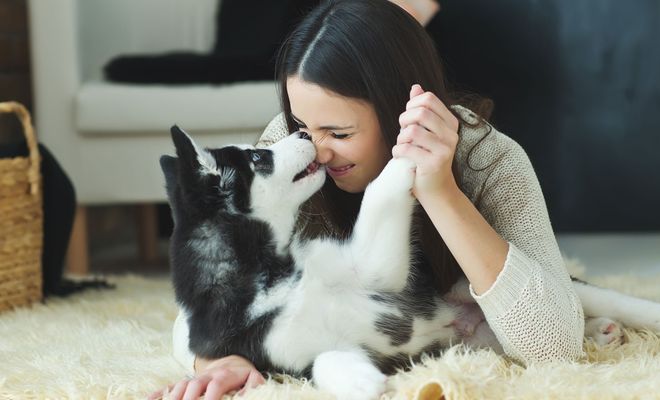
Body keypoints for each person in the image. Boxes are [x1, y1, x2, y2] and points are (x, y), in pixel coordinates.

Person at [151, 0, 584, 398]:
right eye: (302, 125)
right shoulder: (290, 151)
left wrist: (438, 189)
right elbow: (206, 302)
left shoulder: (489, 159)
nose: (316, 151)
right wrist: (218, 359)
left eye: (339, 134)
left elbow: (556, 344)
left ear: (400, 111)